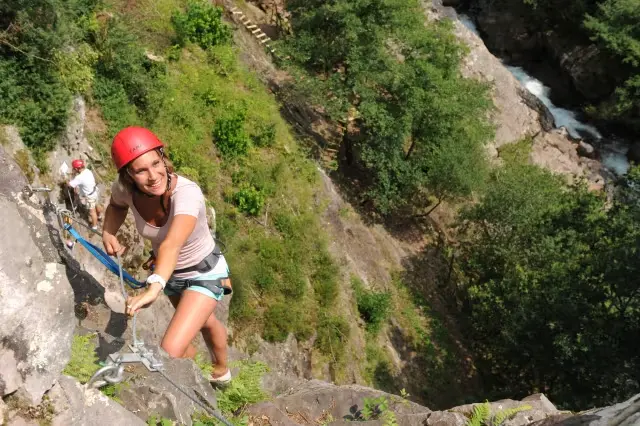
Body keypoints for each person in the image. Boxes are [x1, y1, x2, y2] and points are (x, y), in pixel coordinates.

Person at [101, 126, 232, 384]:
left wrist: (154, 287)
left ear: (163, 157)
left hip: (204, 272)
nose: (153, 176)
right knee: (203, 322)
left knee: (170, 349)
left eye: (156, 163)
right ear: (128, 174)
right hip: (171, 274)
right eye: (141, 170)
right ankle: (198, 377)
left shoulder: (187, 193)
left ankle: (220, 371)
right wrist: (108, 231)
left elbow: (171, 244)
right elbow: (116, 206)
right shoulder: (125, 189)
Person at [68, 159, 103, 231]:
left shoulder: (79, 177)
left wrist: (68, 178)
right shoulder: (88, 171)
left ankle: (94, 227)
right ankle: (99, 216)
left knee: (92, 212)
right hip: (95, 191)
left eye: (74, 168)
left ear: (76, 169)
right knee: (97, 204)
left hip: (90, 196)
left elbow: (70, 184)